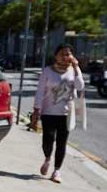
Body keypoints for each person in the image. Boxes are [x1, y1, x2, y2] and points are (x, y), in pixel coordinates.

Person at [30, 43, 84, 183]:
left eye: (68, 54)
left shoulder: (74, 71)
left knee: (62, 143)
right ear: (56, 56)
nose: (66, 57)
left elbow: (80, 86)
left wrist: (77, 67)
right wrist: (37, 110)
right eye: (63, 54)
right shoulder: (47, 71)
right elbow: (40, 92)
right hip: (48, 112)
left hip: (66, 114)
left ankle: (57, 171)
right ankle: (47, 158)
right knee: (47, 140)